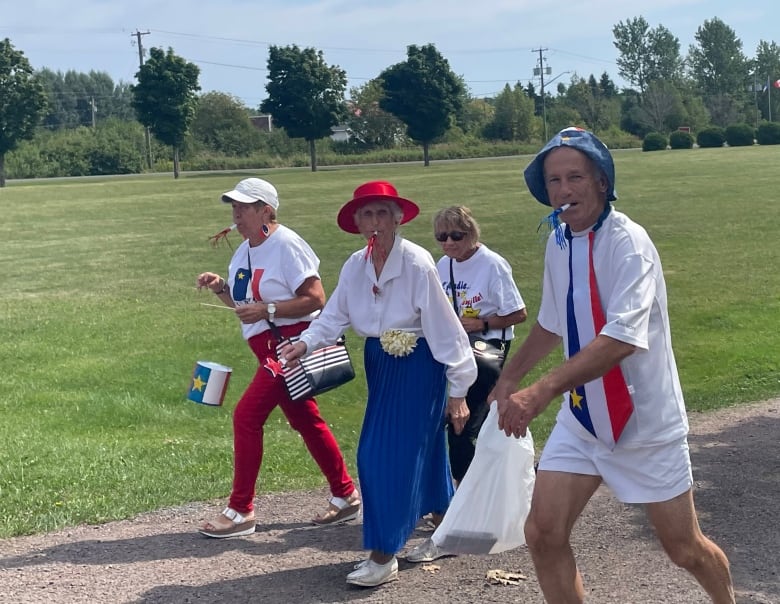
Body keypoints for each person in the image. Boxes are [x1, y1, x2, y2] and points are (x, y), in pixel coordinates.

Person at [489, 127, 736, 603]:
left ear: (602, 181)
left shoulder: (629, 242)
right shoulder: (559, 242)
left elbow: (621, 338)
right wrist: (511, 377)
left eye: (575, 177)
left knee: (684, 548)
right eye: (554, 180)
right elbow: (550, 322)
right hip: (583, 418)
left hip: (644, 420)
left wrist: (541, 391)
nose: (564, 190)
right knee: (543, 533)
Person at [282, 180, 477, 588]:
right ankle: (448, 527)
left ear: (398, 218)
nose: (375, 223)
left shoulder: (418, 262)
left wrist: (458, 390)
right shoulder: (355, 264)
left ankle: (383, 554)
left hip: (420, 367)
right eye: (366, 214)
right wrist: (304, 343)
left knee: (379, 458)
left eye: (382, 213)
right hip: (381, 364)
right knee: (418, 453)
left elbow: (445, 329)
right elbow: (334, 314)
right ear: (356, 222)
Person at [195, 177, 360, 538]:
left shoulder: (287, 244)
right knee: (305, 419)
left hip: (289, 346)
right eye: (234, 207)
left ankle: (241, 510)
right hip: (268, 346)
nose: (236, 214)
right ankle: (345, 493)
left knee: (246, 416)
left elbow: (316, 298)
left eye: (243, 207)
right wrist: (221, 287)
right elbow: (244, 308)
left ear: (265, 210)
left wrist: (267, 308)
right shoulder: (244, 250)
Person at [405, 205, 528, 564]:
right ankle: (456, 500)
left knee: (460, 429)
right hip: (453, 348)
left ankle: (475, 505)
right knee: (443, 424)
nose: (448, 244)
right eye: (441, 237)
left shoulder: (492, 264)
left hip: (486, 349)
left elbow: (518, 312)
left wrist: (483, 323)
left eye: (456, 236)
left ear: (471, 233)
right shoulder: (442, 266)